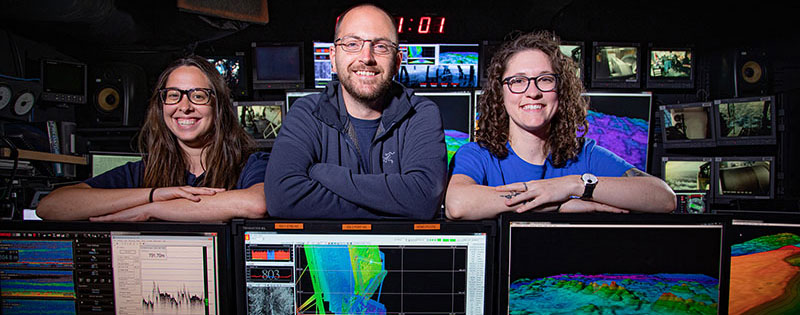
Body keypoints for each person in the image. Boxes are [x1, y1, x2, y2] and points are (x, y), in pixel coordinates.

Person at [446, 31, 676, 220]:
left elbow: (664, 198)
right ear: (500, 92)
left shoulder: (584, 155)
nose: (533, 92)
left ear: (561, 90)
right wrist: (557, 204)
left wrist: (572, 186)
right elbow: (457, 204)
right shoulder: (478, 155)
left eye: (545, 79)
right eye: (518, 81)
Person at [265, 4, 447, 219]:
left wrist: (320, 172)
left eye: (380, 46)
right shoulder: (306, 113)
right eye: (352, 44)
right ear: (333, 57)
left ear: (397, 62)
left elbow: (423, 199)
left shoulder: (421, 113)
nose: (366, 57)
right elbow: (283, 199)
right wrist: (393, 206)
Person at [37, 56, 268, 222]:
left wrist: (152, 209)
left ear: (219, 106)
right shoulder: (144, 172)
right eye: (173, 96)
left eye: (198, 96)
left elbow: (256, 203)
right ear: (161, 106)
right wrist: (153, 193)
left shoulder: (249, 165)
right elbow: (50, 207)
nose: (184, 107)